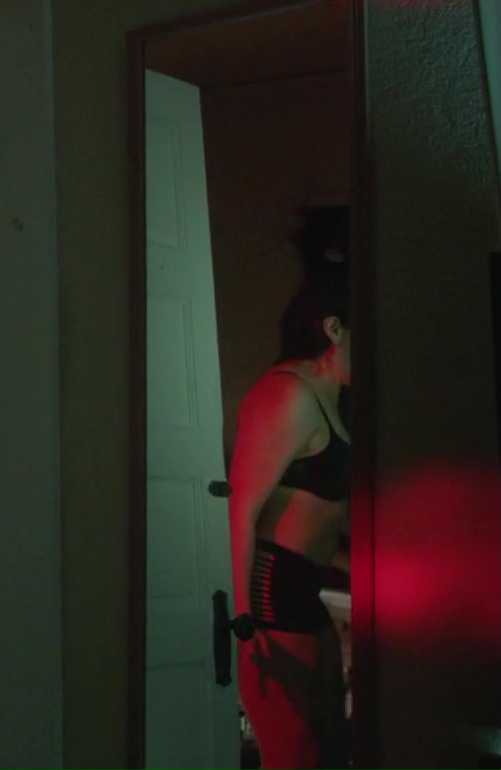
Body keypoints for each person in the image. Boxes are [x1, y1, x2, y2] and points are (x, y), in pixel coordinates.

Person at [227, 266, 351, 770]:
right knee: (293, 754)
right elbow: (240, 508)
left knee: (326, 747)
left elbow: (316, 518)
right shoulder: (287, 395)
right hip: (272, 593)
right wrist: (243, 625)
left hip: (307, 588)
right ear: (334, 328)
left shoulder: (335, 400)